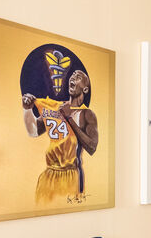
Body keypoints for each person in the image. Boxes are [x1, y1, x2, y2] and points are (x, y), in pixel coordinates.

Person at [22, 69, 99, 204]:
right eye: (73, 75)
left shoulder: (87, 114)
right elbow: (33, 132)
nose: (73, 76)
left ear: (85, 89)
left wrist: (69, 119)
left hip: (71, 176)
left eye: (78, 76)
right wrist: (27, 109)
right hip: (49, 175)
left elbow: (92, 147)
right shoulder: (56, 108)